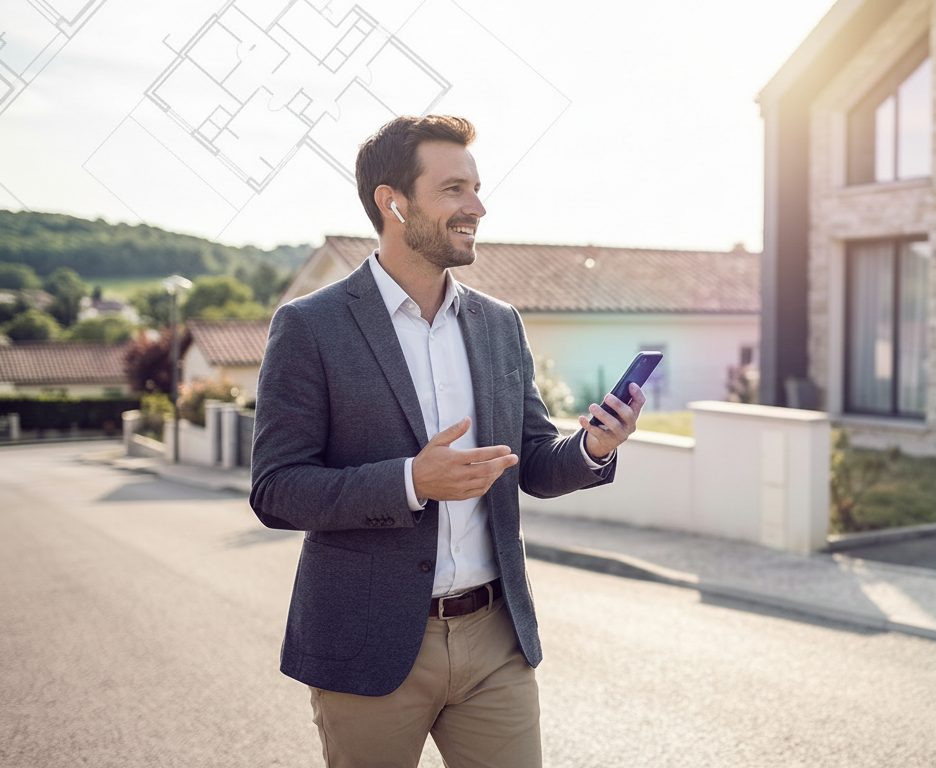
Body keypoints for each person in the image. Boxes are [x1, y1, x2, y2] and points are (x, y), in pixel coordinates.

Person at [249, 114, 644, 768]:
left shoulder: (497, 323)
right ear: (393, 203)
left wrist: (594, 447)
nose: (478, 207)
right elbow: (276, 490)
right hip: (369, 644)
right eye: (455, 188)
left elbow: (535, 463)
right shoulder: (309, 327)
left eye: (478, 188)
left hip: (496, 638)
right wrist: (410, 482)